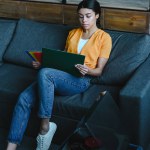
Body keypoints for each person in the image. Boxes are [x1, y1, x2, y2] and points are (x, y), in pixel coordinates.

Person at [6, 0, 112, 149]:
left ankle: (45, 127)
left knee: (46, 74)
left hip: (80, 80)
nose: (84, 20)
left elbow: (99, 70)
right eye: (81, 16)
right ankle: (11, 146)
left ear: (97, 15)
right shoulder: (73, 33)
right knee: (24, 98)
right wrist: (43, 63)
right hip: (60, 76)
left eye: (88, 16)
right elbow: (63, 60)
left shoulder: (104, 38)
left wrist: (87, 69)